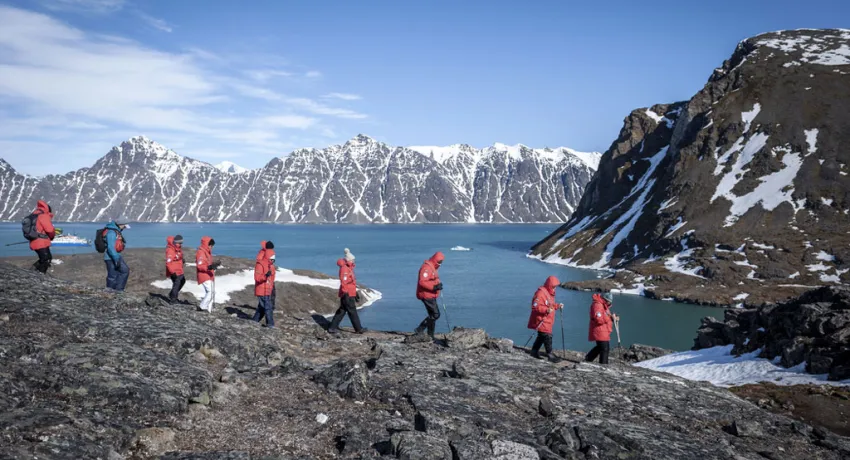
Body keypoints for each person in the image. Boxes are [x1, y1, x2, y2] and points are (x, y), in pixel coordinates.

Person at [328, 248, 365, 334]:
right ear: (348, 260)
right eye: (352, 260)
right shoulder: (345, 269)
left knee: (342, 310)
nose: (354, 261)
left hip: (349, 292)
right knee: (352, 310)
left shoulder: (348, 268)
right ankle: (358, 329)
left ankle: (332, 327)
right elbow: (344, 281)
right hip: (347, 293)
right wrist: (345, 292)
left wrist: (354, 292)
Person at [527, 276, 563, 360]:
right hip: (541, 319)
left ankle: (534, 351)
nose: (555, 289)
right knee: (547, 336)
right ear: (550, 285)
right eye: (554, 287)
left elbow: (550, 305)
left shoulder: (548, 293)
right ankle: (550, 355)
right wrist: (546, 310)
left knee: (541, 336)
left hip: (546, 319)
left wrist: (557, 306)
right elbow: (535, 307)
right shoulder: (540, 293)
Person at [415, 251, 445, 338]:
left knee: (432, 315)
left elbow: (432, 279)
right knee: (436, 314)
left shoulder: (432, 267)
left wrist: (438, 285)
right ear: (435, 260)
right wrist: (434, 287)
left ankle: (430, 335)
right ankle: (420, 329)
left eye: (441, 262)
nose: (440, 263)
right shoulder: (426, 268)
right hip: (426, 294)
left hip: (430, 294)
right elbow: (422, 282)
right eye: (439, 261)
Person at [586, 292, 617, 364]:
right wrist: (610, 318)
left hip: (603, 330)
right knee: (604, 348)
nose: (610, 303)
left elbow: (605, 316)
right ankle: (603, 364)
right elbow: (598, 319)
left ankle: (588, 358)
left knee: (601, 347)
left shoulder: (603, 305)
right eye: (609, 301)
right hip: (599, 330)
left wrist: (612, 318)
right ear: (605, 299)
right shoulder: (597, 305)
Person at [27, 200, 56, 274]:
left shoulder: (34, 215)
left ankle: (33, 271)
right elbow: (50, 230)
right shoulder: (43, 216)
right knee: (46, 259)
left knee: (45, 258)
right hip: (41, 242)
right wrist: (52, 236)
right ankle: (39, 275)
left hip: (34, 240)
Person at [103, 219, 129, 291]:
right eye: (124, 226)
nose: (124, 228)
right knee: (113, 275)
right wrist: (116, 258)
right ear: (121, 224)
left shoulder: (116, 231)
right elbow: (110, 248)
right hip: (111, 257)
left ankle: (118, 290)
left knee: (123, 271)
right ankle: (110, 290)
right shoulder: (111, 233)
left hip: (116, 256)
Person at [253, 246, 276, 327]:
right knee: (267, 307)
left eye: (273, 260)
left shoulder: (271, 266)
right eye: (271, 259)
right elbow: (257, 278)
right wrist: (265, 276)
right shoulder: (260, 265)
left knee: (262, 308)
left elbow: (272, 279)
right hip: (261, 289)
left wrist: (271, 288)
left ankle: (254, 321)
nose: (272, 261)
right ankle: (270, 324)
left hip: (267, 289)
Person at [195, 236, 220, 312]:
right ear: (207, 244)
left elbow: (207, 263)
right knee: (210, 292)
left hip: (208, 274)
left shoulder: (207, 252)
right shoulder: (201, 252)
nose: (212, 247)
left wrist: (213, 266)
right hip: (204, 275)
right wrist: (209, 267)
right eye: (211, 245)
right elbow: (200, 266)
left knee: (211, 292)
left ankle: (207, 308)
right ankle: (202, 307)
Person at [165, 235, 186, 303]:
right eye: (179, 243)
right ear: (175, 242)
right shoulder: (170, 250)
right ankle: (173, 299)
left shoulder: (177, 249)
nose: (180, 244)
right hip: (174, 271)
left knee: (182, 281)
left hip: (179, 269)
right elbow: (168, 263)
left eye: (181, 243)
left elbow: (178, 257)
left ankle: (172, 295)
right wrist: (172, 272)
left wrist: (182, 260)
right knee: (177, 284)